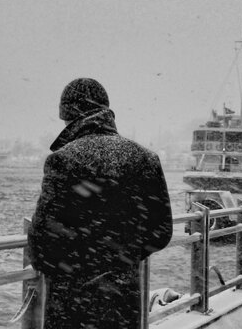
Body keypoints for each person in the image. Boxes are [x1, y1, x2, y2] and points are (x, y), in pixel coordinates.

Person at [27, 78, 173, 329]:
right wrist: (121, 258)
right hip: (123, 300)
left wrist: (74, 266)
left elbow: (41, 242)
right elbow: (161, 232)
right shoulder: (145, 159)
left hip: (71, 303)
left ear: (69, 116)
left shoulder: (63, 160)